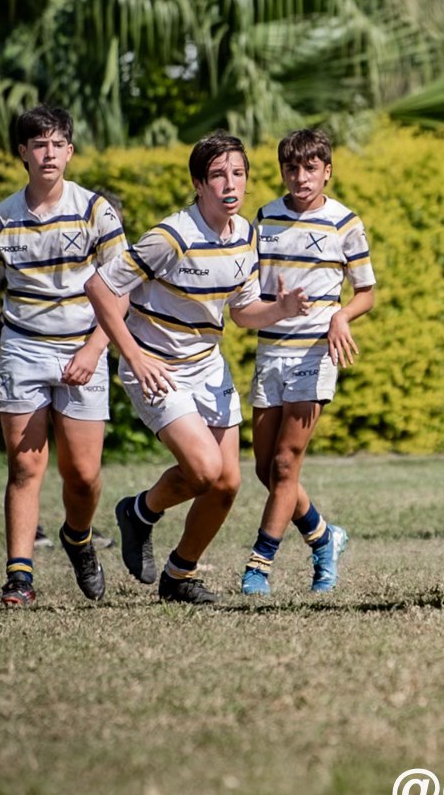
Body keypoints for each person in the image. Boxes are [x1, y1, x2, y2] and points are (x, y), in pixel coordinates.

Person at [87, 132, 308, 605]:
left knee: (227, 484)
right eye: (218, 175)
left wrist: (282, 308)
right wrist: (134, 355)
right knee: (205, 470)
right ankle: (141, 511)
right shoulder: (172, 236)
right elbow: (101, 289)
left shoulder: (246, 234)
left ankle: (178, 575)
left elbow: (245, 311)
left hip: (207, 367)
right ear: (198, 183)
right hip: (157, 367)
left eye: (238, 173)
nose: (231, 184)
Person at [0, 105, 126, 608]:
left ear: (70, 152)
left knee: (82, 475)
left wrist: (96, 347)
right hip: (22, 348)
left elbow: (122, 290)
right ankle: (19, 578)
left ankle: (77, 536)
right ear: (23, 154)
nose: (48, 152)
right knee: (24, 468)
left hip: (83, 347)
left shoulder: (97, 211)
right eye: (38, 144)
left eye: (57, 144)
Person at [241, 129, 375, 595]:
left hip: (314, 353)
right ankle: (324, 537)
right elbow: (251, 289)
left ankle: (259, 564)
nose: (301, 177)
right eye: (292, 169)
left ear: (327, 171)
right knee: (265, 469)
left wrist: (341, 315)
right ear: (283, 172)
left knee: (284, 463)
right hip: (269, 350)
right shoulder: (264, 217)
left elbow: (367, 293)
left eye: (311, 168)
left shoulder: (344, 223)